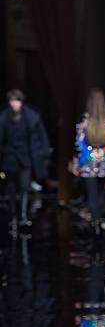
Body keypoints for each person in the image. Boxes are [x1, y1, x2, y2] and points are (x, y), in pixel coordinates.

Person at [70, 89, 105, 234]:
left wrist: (75, 162)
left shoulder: (83, 121)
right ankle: (100, 220)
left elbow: (79, 144)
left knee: (91, 194)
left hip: (88, 161)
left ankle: (95, 222)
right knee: (102, 193)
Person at [0, 89, 50, 229]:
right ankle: (13, 215)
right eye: (12, 101)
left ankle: (22, 215)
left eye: (17, 101)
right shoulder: (4, 118)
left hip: (25, 157)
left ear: (21, 102)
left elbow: (40, 136)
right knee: (10, 187)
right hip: (9, 157)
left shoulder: (31, 117)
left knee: (24, 186)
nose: (15, 104)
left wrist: (44, 152)